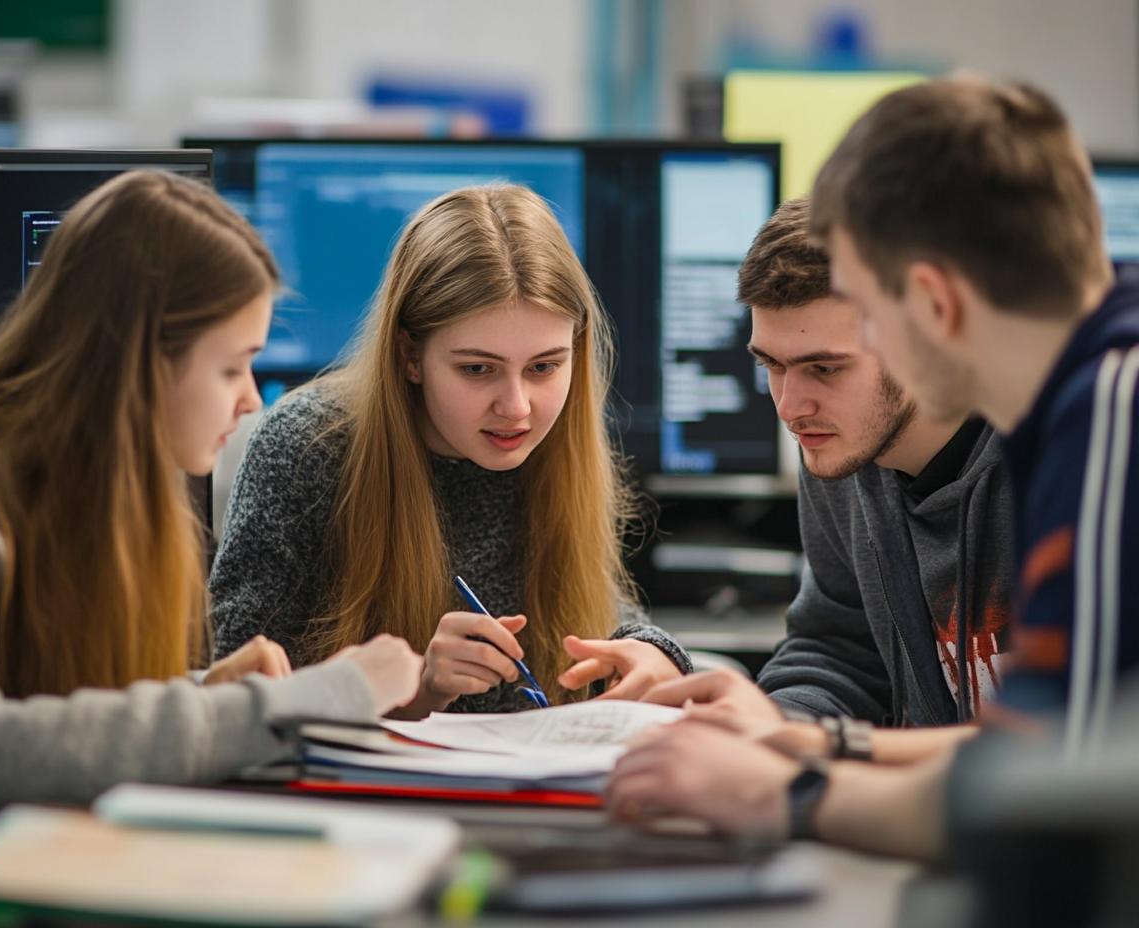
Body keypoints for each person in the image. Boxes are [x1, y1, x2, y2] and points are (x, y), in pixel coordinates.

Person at [608, 75, 1139, 858]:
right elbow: (1038, 746)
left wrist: (794, 788)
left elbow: (1050, 793)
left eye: (868, 307)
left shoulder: (1113, 414)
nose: (792, 404)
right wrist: (804, 744)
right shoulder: (1071, 405)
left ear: (930, 300)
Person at [0, 170, 422, 816]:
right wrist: (318, 698)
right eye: (232, 366)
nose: (246, 398)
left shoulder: (105, 487)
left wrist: (208, 696)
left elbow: (57, 710)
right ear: (141, 359)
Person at [210, 183, 692, 718]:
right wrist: (417, 690)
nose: (517, 407)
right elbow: (233, 693)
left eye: (544, 367)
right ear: (410, 356)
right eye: (477, 369)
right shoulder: (307, 449)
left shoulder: (560, 441)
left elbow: (598, 612)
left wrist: (651, 650)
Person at [642, 195, 1013, 769]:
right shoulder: (840, 445)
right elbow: (839, 650)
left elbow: (1086, 741)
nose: (791, 407)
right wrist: (768, 727)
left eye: (825, 368)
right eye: (771, 365)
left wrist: (828, 747)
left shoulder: (1072, 461)